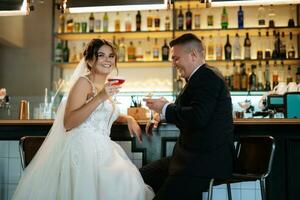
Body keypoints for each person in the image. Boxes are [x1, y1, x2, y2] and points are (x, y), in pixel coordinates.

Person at [12, 39, 154, 200]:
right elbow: (69, 122)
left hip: (103, 148)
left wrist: (127, 118)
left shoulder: (104, 86)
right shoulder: (83, 82)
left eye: (111, 55)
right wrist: (100, 97)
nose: (108, 60)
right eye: (101, 55)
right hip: (83, 149)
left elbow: (102, 114)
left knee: (129, 185)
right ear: (89, 60)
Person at [142, 33, 235, 200]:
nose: (173, 64)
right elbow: (190, 112)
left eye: (176, 59)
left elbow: (198, 117)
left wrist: (165, 108)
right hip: (188, 159)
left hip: (204, 163)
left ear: (193, 55)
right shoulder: (198, 78)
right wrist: (163, 115)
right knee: (137, 177)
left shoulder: (207, 77)